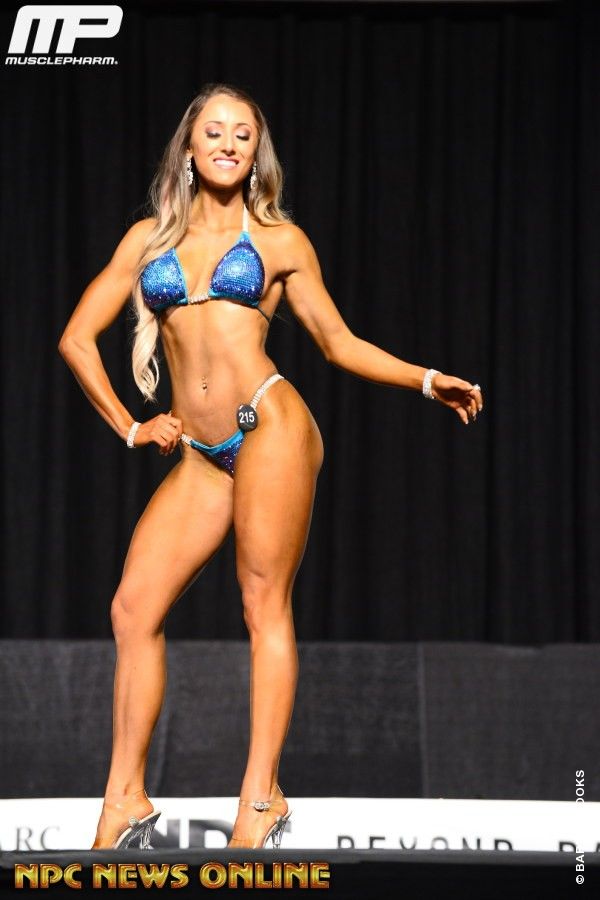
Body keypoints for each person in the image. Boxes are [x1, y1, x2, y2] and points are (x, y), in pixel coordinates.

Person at [58, 82, 484, 851]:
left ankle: (261, 799)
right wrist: (130, 427)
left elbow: (338, 343)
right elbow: (75, 338)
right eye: (213, 132)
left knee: (262, 606)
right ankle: (124, 799)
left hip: (270, 424)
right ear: (189, 149)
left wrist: (427, 380)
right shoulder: (147, 241)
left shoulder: (280, 241)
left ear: (256, 154)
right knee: (132, 609)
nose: (227, 143)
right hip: (200, 454)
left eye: (242, 135)